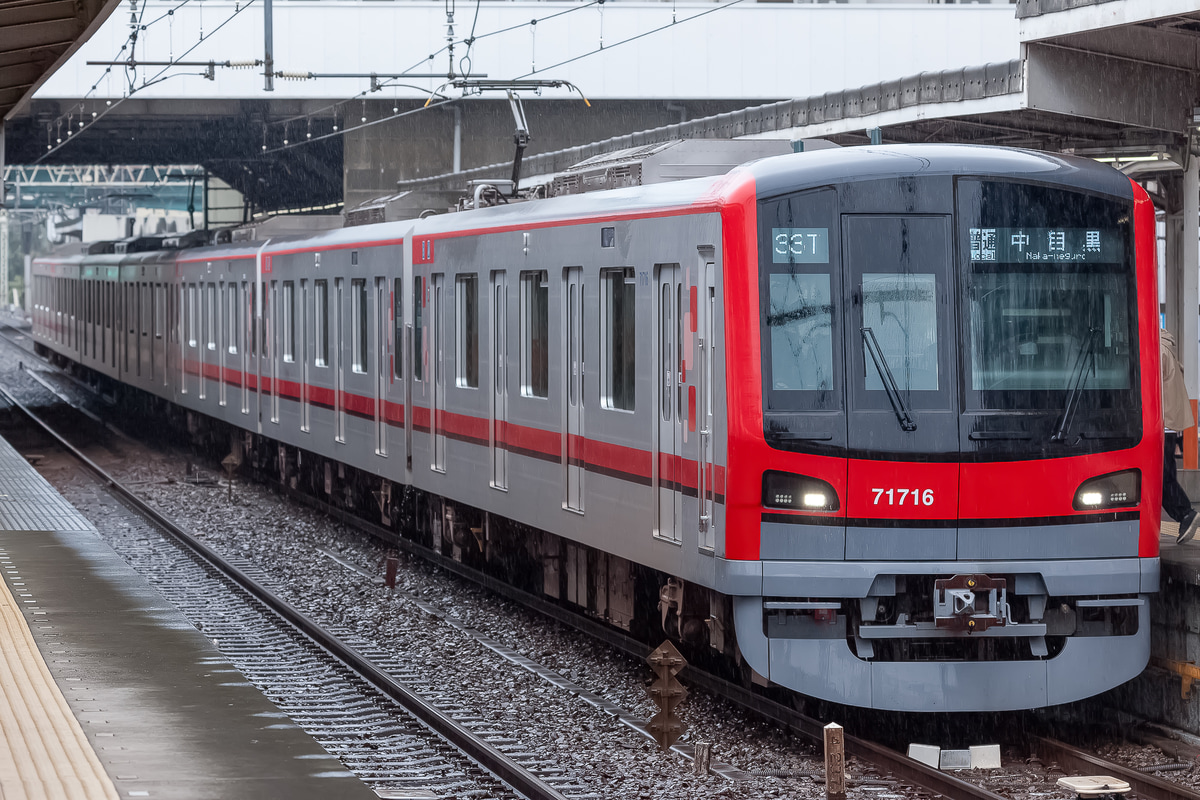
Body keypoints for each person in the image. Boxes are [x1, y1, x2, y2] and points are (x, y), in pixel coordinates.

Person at [1161, 328, 1199, 543]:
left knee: (1162, 477)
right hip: (1169, 424)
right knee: (1165, 475)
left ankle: (1185, 514)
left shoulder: (1158, 351)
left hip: (1163, 423)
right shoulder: (1166, 347)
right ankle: (1184, 515)